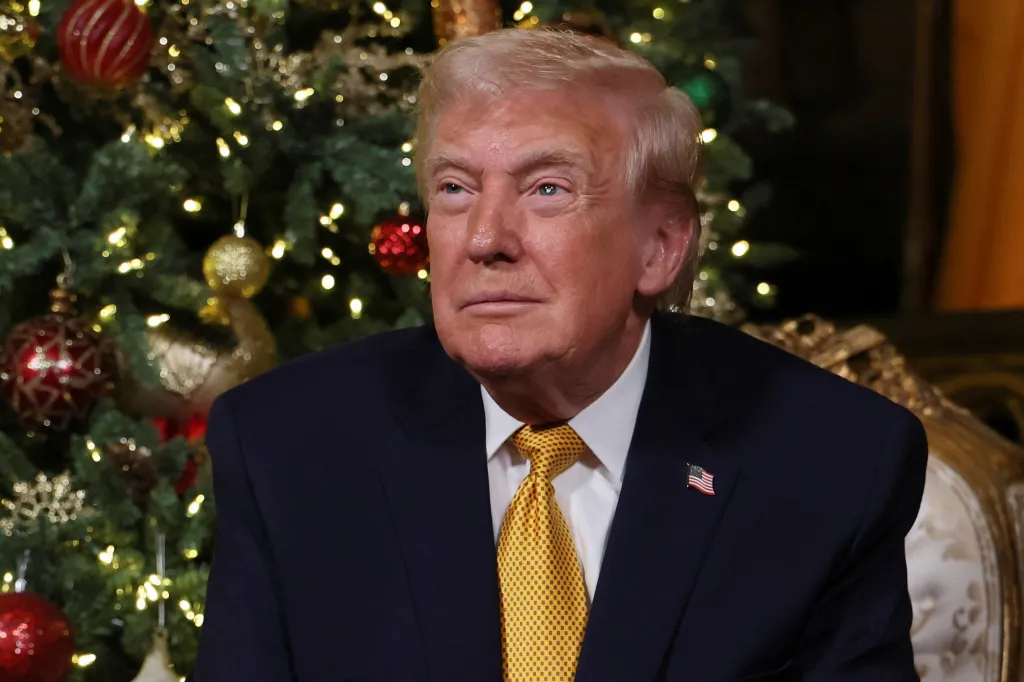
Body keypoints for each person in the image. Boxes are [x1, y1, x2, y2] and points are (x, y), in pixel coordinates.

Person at [193, 28, 927, 682]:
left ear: (660, 248)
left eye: (547, 189)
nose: (485, 239)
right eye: (454, 189)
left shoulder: (828, 462)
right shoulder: (288, 448)